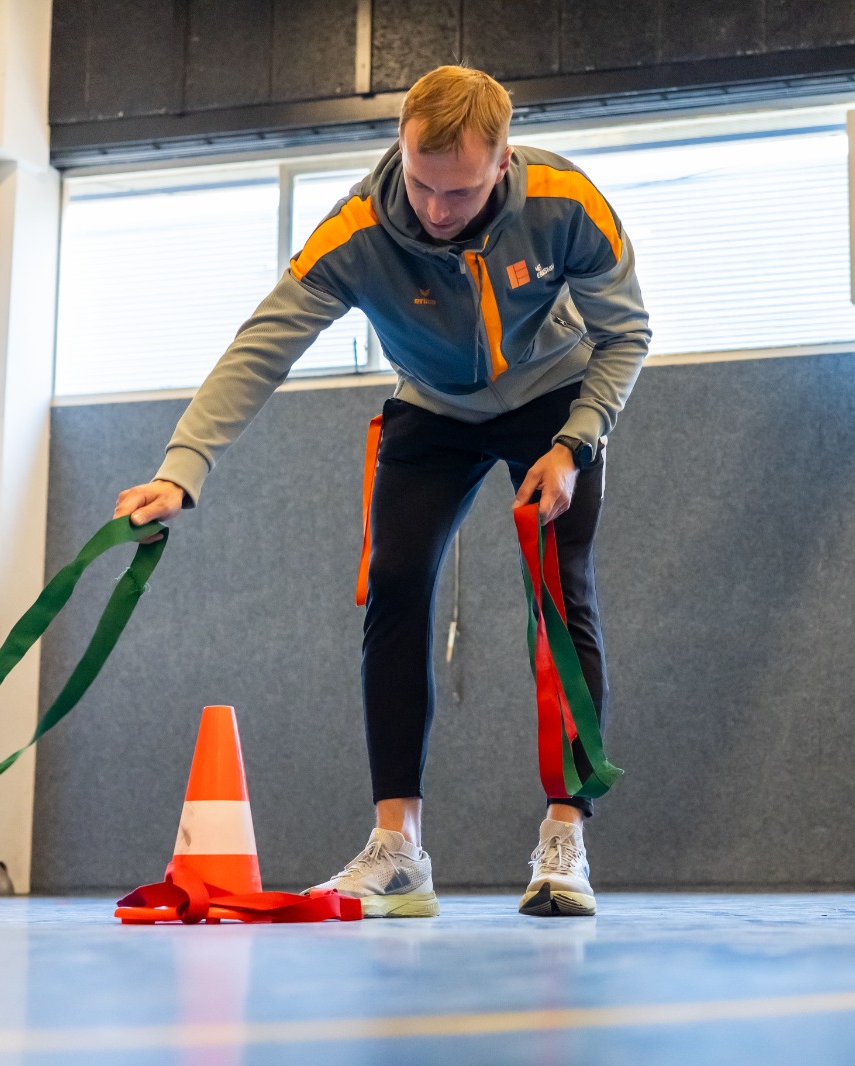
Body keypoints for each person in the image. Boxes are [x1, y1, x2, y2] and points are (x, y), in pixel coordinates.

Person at [112, 65, 650, 918]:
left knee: (559, 590)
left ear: (503, 161)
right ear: (401, 151)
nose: (436, 208)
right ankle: (398, 848)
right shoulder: (359, 230)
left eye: (460, 191)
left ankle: (564, 835)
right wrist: (184, 467)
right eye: (422, 183)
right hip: (430, 407)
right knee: (394, 585)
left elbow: (627, 334)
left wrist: (576, 446)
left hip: (553, 402)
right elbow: (263, 345)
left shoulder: (564, 202)